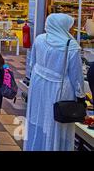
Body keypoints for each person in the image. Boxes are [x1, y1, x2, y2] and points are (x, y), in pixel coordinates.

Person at [24, 13, 85, 151]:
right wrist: (80, 95)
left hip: (38, 84)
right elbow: (76, 75)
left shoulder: (40, 39)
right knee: (56, 122)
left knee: (38, 117)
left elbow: (33, 62)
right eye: (70, 26)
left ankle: (37, 145)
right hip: (59, 89)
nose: (72, 30)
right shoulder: (71, 46)